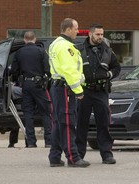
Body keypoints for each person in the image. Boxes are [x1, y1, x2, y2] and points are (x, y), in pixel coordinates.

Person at [75, 24, 121, 164]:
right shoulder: (79, 50)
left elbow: (117, 67)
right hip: (84, 91)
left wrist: (110, 74)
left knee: (103, 124)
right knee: (81, 124)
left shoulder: (107, 50)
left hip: (101, 92)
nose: (100, 37)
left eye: (102, 34)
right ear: (90, 34)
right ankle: (79, 155)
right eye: (98, 34)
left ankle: (107, 155)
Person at [48, 18, 90, 168]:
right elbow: (69, 70)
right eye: (75, 28)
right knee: (67, 123)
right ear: (68, 29)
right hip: (65, 89)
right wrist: (78, 90)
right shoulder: (66, 47)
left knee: (59, 123)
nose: (77, 31)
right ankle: (73, 157)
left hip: (58, 87)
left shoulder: (56, 44)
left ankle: (54, 156)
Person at [11, 31, 52, 148]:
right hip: (39, 85)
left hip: (26, 85)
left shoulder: (19, 52)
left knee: (28, 114)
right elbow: (48, 69)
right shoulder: (41, 51)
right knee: (45, 112)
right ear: (35, 39)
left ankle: (31, 142)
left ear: (25, 39)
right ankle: (48, 141)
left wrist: (18, 81)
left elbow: (14, 70)